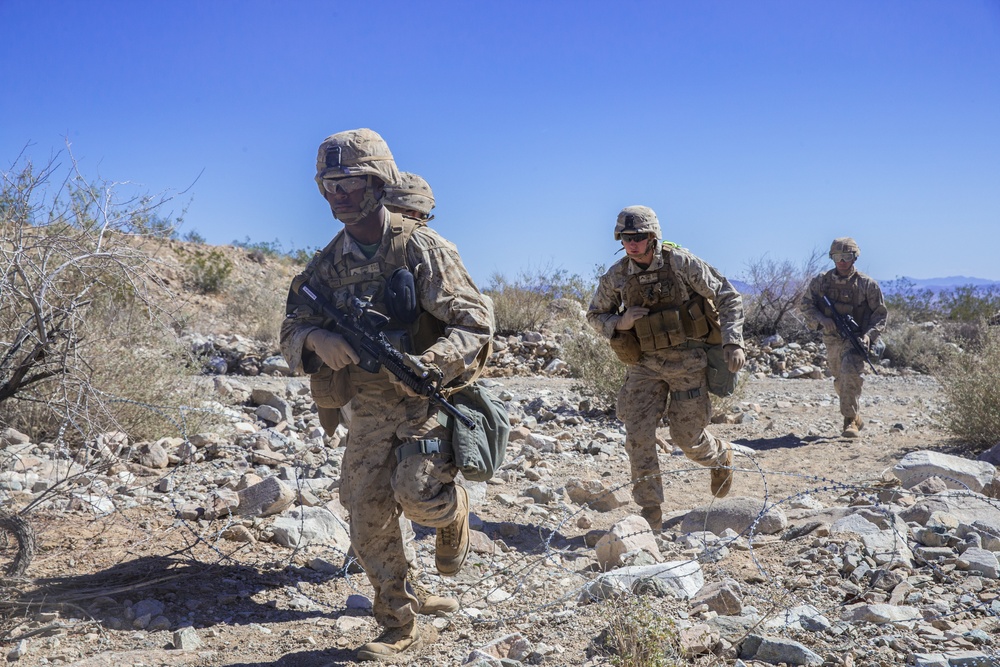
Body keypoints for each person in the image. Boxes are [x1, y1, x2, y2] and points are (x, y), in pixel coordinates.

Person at [280, 128, 494, 661]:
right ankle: (399, 621)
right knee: (363, 509)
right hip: (369, 405)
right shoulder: (326, 266)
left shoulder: (420, 247)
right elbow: (289, 330)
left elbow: (476, 321)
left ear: (379, 181)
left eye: (350, 181)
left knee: (419, 495)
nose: (339, 195)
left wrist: (433, 362)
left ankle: (455, 510)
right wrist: (316, 339)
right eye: (329, 184)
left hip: (424, 397)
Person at [586, 206, 746, 532]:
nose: (632, 243)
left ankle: (719, 456)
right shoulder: (617, 275)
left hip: (687, 362)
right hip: (644, 365)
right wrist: (620, 321)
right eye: (626, 238)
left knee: (686, 438)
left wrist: (733, 342)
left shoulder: (681, 263)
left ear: (653, 236)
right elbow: (594, 315)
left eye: (639, 237)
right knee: (638, 435)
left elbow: (728, 297)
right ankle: (651, 512)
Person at [800, 237, 887, 438]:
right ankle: (856, 415)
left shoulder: (867, 285)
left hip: (856, 339)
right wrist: (821, 318)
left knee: (851, 374)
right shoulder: (821, 281)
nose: (842, 261)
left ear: (854, 257)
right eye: (837, 256)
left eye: (846, 256)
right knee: (840, 380)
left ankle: (849, 422)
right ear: (832, 257)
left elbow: (880, 314)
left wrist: (868, 336)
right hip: (832, 338)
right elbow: (806, 305)